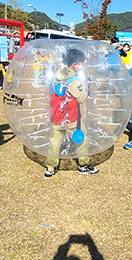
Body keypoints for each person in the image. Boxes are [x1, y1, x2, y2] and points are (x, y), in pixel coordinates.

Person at [45, 48, 99, 178]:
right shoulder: (73, 80)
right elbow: (81, 98)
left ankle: (50, 168)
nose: (81, 66)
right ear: (74, 64)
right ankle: (83, 165)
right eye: (80, 63)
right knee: (82, 140)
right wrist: (85, 86)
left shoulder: (56, 75)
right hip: (71, 117)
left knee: (54, 142)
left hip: (57, 116)